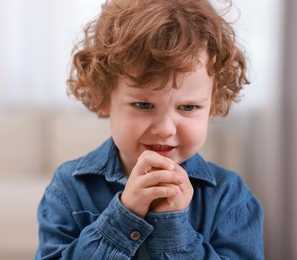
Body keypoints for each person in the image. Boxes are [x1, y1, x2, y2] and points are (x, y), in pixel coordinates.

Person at [35, 0, 264, 259]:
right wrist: (124, 216)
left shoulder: (230, 198)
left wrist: (173, 225)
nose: (166, 129)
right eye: (143, 104)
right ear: (105, 98)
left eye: (188, 107)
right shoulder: (69, 188)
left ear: (213, 104)